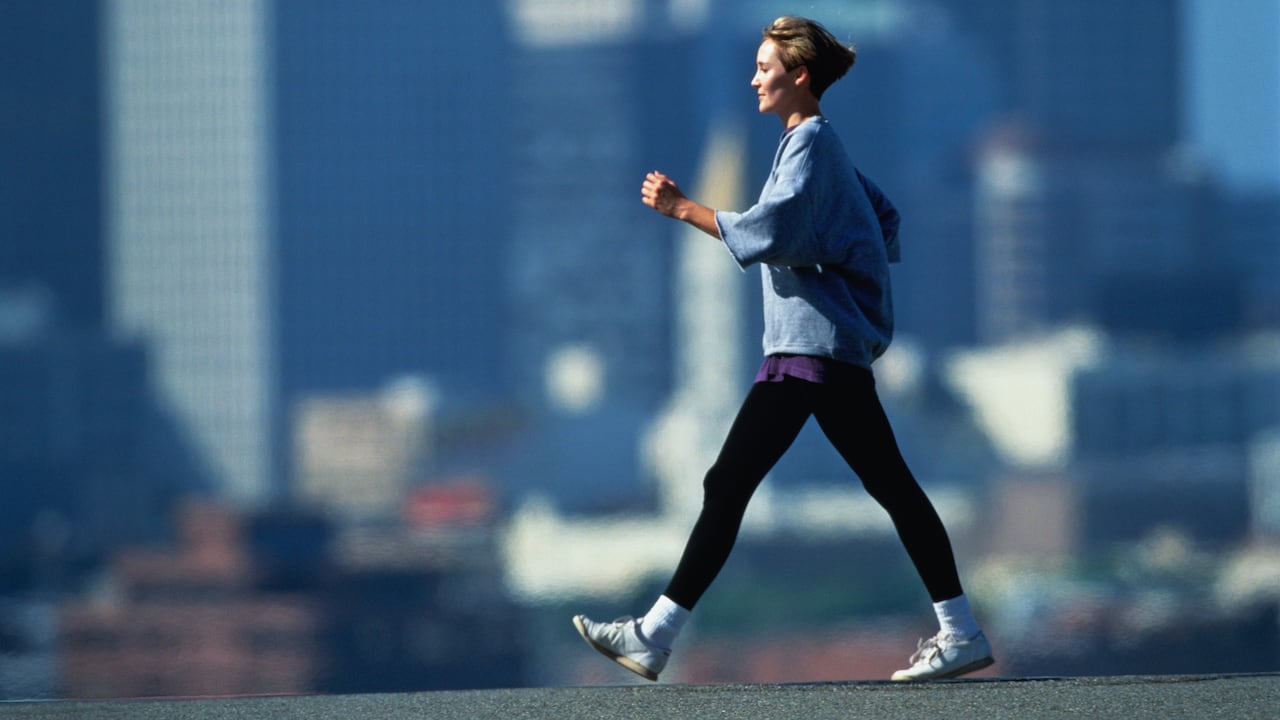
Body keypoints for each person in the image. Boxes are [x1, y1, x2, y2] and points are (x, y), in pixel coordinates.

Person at [572, 16, 994, 683]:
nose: (754, 79)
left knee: (730, 483)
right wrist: (851, 268)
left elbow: (776, 228)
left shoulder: (810, 146)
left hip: (808, 353)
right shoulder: (815, 146)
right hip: (823, 349)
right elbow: (879, 217)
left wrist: (684, 209)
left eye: (766, 69)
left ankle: (653, 635)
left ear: (799, 76)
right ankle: (960, 629)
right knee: (888, 488)